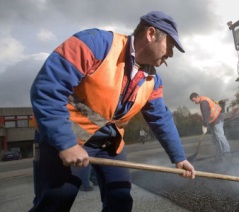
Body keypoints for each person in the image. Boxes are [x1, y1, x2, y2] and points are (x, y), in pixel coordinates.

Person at [30, 11, 196, 211]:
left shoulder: (153, 80)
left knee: (120, 200)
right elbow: (48, 89)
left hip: (110, 143)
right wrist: (66, 144)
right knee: (55, 202)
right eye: (170, 45)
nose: (171, 53)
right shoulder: (95, 43)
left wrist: (179, 157)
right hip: (67, 137)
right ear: (151, 34)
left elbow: (161, 118)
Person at [189, 93, 231, 160]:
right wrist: (205, 124)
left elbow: (206, 115)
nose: (194, 102)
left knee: (220, 137)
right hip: (212, 121)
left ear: (197, 97)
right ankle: (219, 155)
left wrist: (205, 126)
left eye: (194, 100)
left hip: (217, 119)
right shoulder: (204, 99)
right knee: (215, 139)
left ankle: (227, 153)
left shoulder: (203, 102)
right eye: (193, 101)